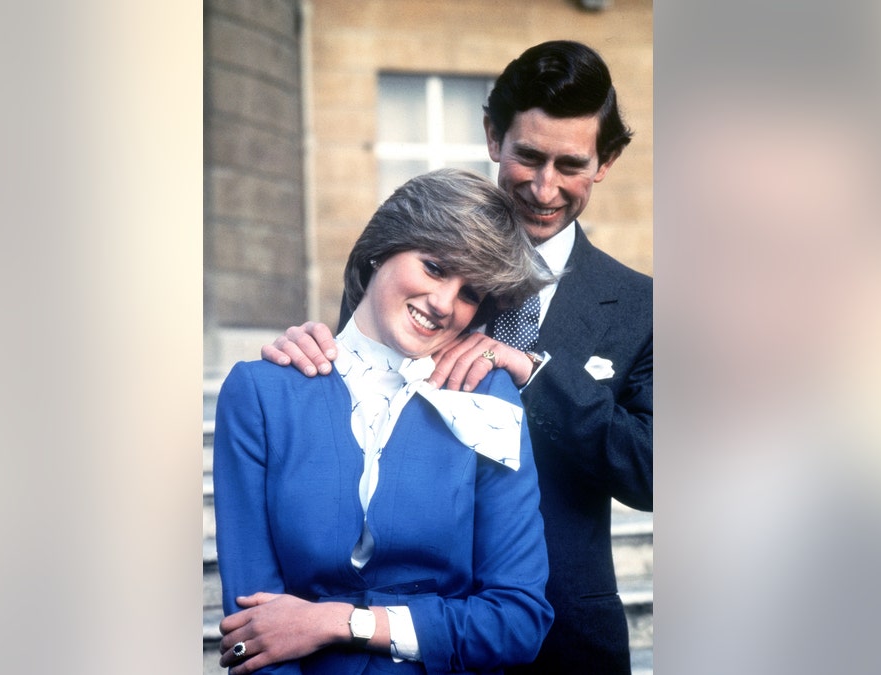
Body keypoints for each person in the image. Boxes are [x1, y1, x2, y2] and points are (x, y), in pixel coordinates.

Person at [261, 41, 652, 673]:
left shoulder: (643, 307)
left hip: (569, 641)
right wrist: (308, 355)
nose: (544, 187)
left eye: (570, 164)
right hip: (412, 638)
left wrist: (534, 373)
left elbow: (654, 471)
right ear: (494, 137)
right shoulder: (415, 265)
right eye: (527, 155)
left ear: (605, 163)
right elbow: (356, 407)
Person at [214, 168, 555, 675]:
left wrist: (338, 622)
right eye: (435, 268)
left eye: (470, 293)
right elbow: (251, 629)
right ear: (381, 249)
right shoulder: (261, 393)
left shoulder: (488, 396)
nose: (444, 305)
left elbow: (517, 620)